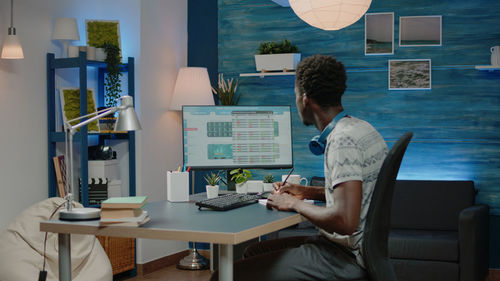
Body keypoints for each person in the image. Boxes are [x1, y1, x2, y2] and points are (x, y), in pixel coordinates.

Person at [210, 54, 388, 281]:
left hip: (343, 256)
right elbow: (356, 196)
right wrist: (306, 192)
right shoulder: (361, 129)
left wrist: (293, 203)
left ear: (305, 99)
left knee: (223, 276)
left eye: (295, 95)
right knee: (253, 252)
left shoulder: (342, 140)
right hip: (358, 252)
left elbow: (345, 220)